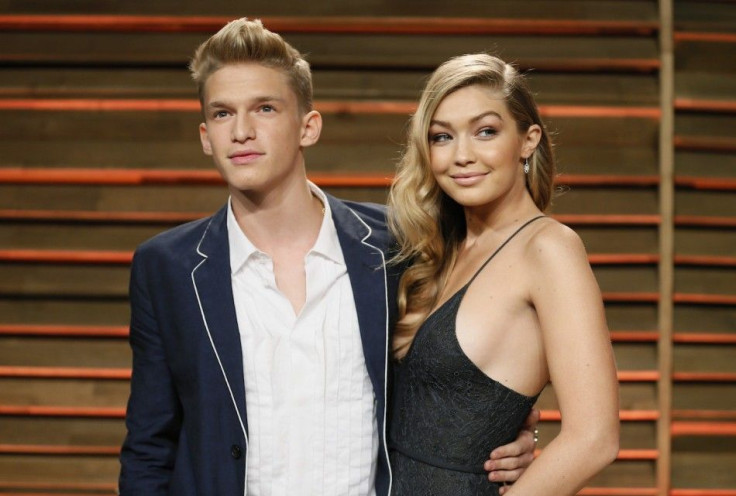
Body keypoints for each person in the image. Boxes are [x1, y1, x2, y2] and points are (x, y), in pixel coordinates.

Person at [118, 19, 537, 496]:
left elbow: (452, 371)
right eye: (221, 113)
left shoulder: (400, 243)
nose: (241, 131)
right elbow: (150, 446)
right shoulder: (166, 268)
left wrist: (508, 431)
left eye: (265, 108)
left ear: (308, 127)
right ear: (205, 136)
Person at [386, 53, 620, 495]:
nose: (462, 156)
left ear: (528, 140)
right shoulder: (436, 248)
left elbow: (595, 439)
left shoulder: (549, 249)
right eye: (441, 137)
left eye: (485, 132)